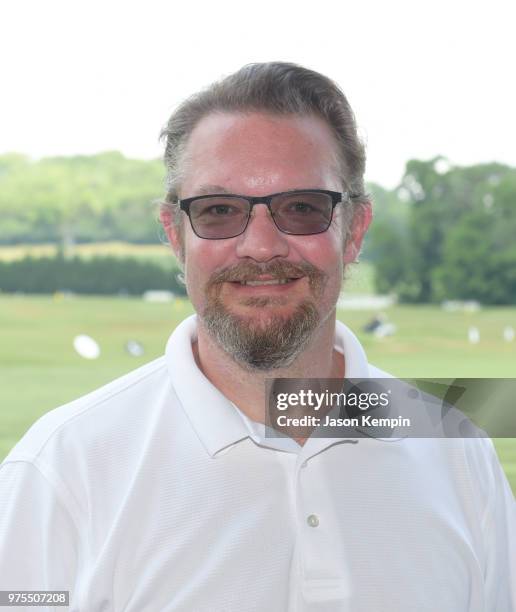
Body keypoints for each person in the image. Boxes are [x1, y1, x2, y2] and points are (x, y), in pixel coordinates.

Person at [0, 62, 514, 611]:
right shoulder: (62, 469)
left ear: (354, 231)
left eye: (302, 208)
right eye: (219, 211)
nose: (262, 246)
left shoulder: (459, 451)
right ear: (175, 234)